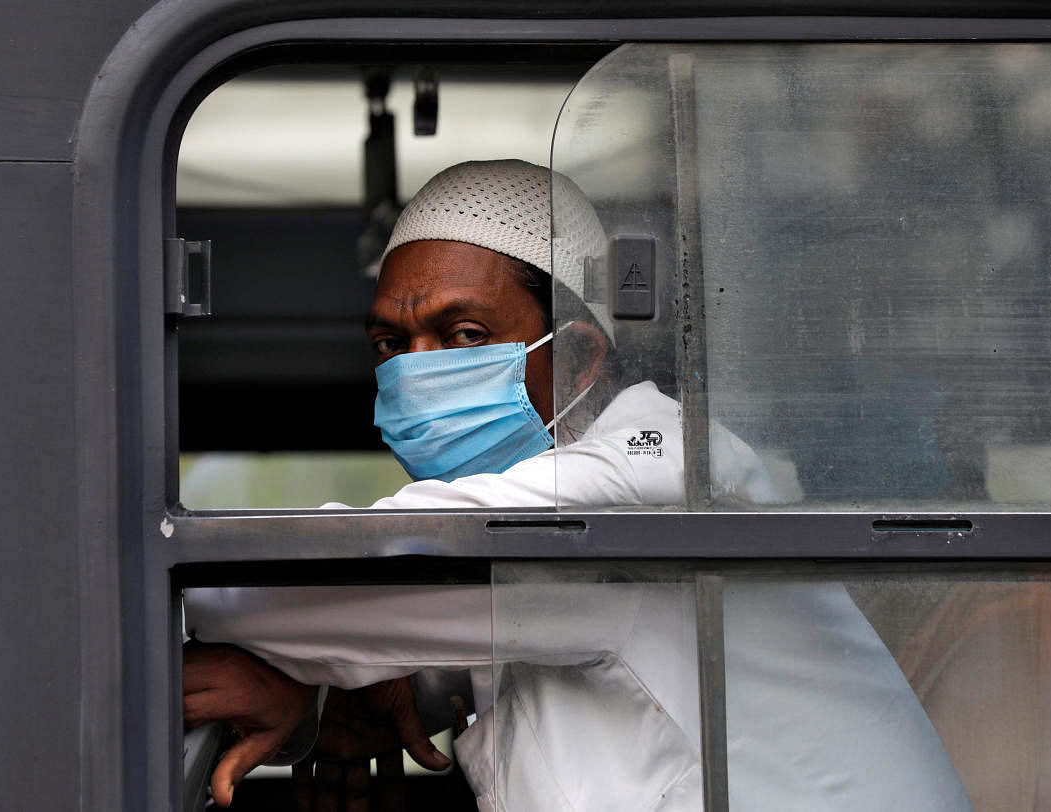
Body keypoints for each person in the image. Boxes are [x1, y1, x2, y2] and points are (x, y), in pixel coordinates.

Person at [184, 160, 969, 811]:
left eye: (463, 336)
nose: (417, 370)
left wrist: (310, 663)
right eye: (393, 343)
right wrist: (346, 692)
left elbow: (258, 585)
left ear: (583, 356)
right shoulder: (549, 552)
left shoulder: (642, 483)